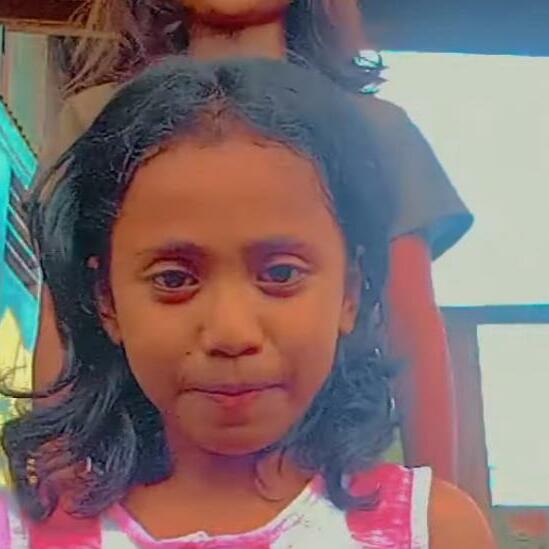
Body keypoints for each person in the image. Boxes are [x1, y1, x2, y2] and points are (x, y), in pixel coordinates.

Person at [2, 57, 492, 548]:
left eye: (280, 274)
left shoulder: (432, 532)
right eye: (174, 279)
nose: (231, 333)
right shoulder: (24, 534)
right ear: (106, 300)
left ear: (349, 292)